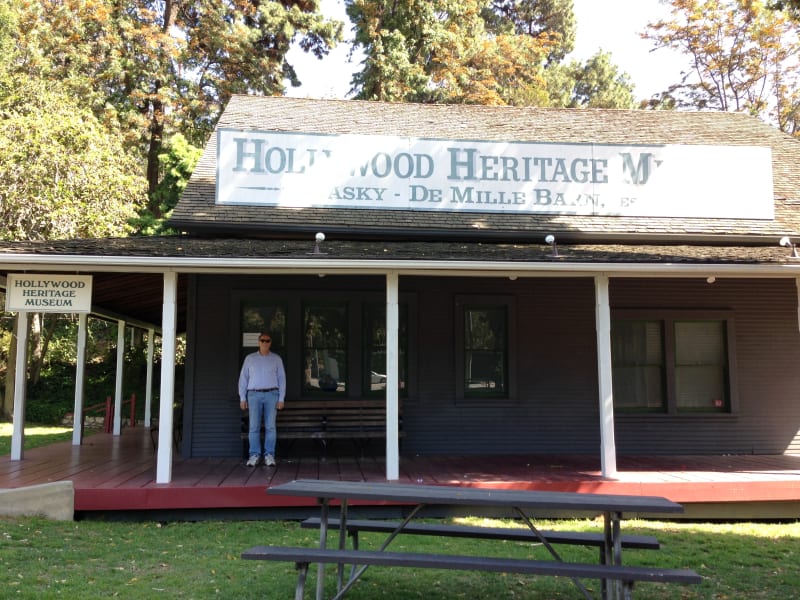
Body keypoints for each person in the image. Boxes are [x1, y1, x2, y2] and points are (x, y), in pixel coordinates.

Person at [238, 331, 286, 467]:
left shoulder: (276, 359)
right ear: (258, 342)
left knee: (271, 426)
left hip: (272, 394)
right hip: (253, 395)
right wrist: (242, 398)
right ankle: (254, 455)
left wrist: (281, 398)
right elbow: (243, 379)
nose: (265, 343)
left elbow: (282, 379)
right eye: (262, 340)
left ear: (270, 343)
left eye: (267, 341)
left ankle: (269, 455)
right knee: (254, 427)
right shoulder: (250, 358)